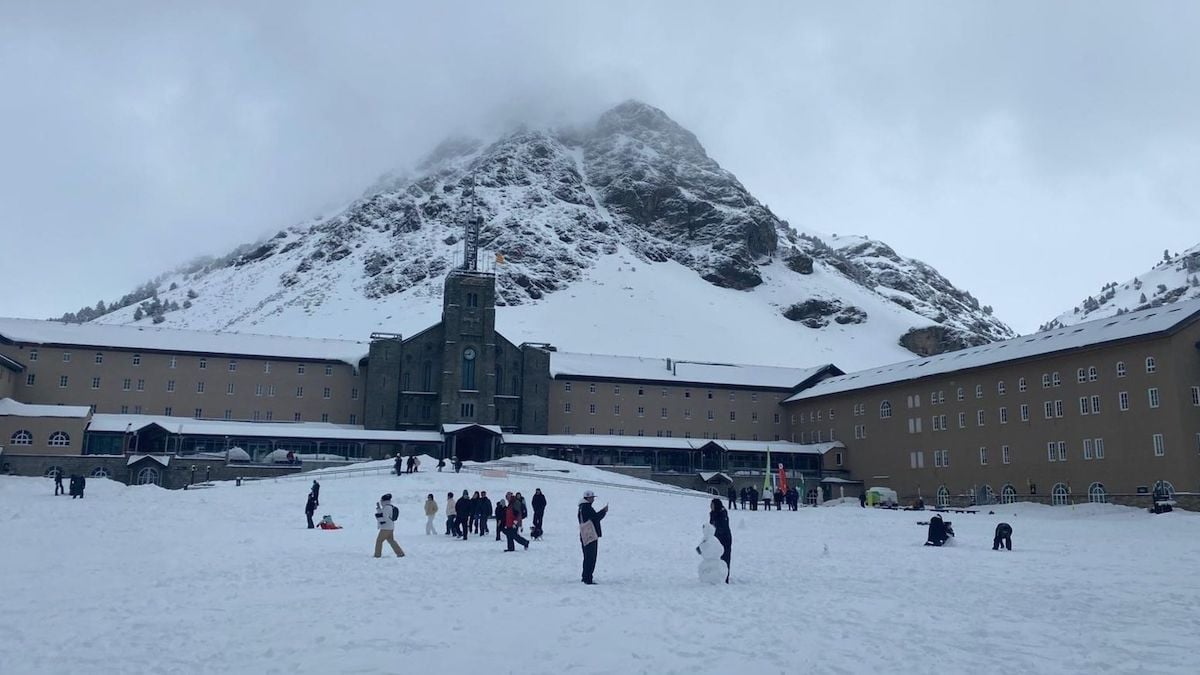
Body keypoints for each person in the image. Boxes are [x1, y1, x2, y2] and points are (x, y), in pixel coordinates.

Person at [577, 489, 608, 585]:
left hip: (584, 534)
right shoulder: (587, 507)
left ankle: (585, 576)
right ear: (588, 498)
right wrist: (604, 511)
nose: (593, 499)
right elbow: (595, 518)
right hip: (590, 535)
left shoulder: (581, 507)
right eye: (592, 498)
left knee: (587, 557)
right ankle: (588, 578)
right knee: (591, 557)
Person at [374, 493, 405, 558]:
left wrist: (377, 517)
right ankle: (400, 553)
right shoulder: (389, 507)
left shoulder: (386, 508)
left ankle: (377, 555)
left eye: (381, 500)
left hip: (386, 528)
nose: (381, 502)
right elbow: (385, 515)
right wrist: (379, 509)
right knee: (391, 540)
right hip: (390, 527)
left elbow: (384, 518)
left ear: (384, 501)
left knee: (379, 541)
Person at [709, 498, 732, 583]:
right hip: (716, 539)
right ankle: (716, 576)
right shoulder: (713, 513)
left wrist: (716, 533)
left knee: (725, 559)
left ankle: (725, 578)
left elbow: (722, 527)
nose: (711, 506)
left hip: (725, 539)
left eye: (712, 505)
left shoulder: (722, 513)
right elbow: (711, 525)